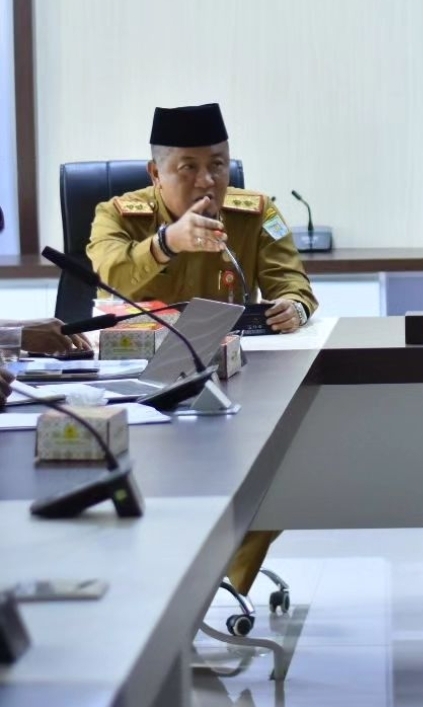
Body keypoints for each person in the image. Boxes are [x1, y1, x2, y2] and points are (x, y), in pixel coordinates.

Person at [88, 101, 317, 600]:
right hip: (142, 384)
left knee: (274, 472)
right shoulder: (118, 215)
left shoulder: (256, 213)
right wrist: (167, 242)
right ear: (156, 173)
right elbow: (110, 272)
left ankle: (214, 589)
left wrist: (294, 307)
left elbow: (293, 283)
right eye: (187, 168)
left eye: (217, 165)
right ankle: (171, 584)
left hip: (235, 379)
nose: (207, 181)